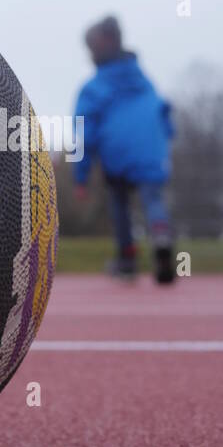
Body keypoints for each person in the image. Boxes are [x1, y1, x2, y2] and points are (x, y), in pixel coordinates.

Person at [74, 16, 175, 284]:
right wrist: (167, 138)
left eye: (91, 48)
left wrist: (80, 176)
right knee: (153, 199)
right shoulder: (143, 79)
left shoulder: (93, 88)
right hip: (152, 147)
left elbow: (83, 131)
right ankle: (162, 240)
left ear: (102, 46)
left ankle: (127, 259)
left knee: (119, 200)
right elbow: (163, 111)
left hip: (118, 148)